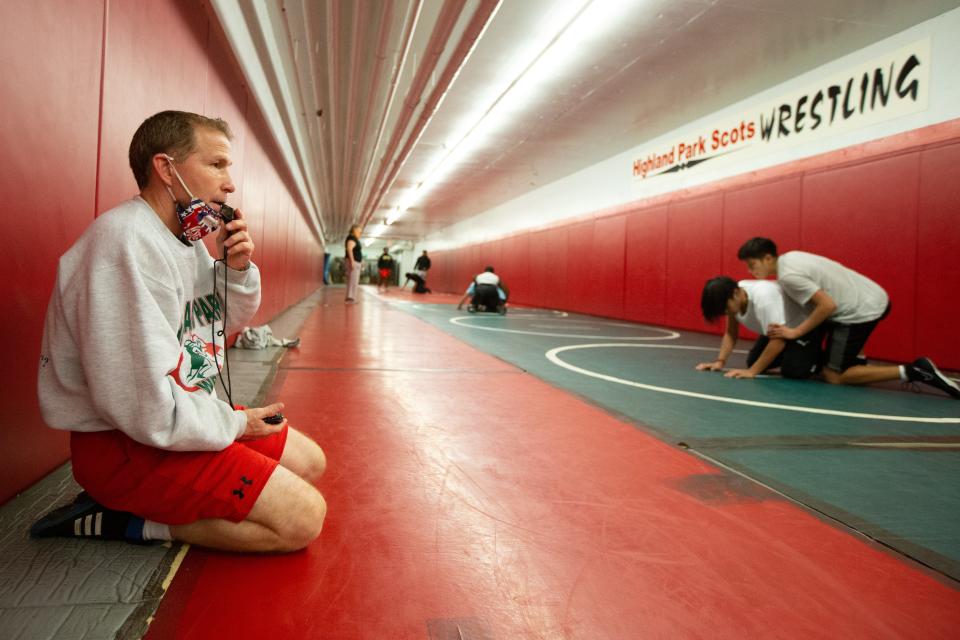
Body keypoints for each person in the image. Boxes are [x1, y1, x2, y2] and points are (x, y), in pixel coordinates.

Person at [32, 110, 327, 553]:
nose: (230, 182)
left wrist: (236, 269)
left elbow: (222, 321)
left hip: (178, 414)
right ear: (166, 168)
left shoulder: (184, 240)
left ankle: (163, 501)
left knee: (311, 462)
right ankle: (124, 519)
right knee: (302, 520)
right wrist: (234, 424)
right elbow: (141, 408)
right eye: (216, 164)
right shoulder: (124, 245)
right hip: (127, 447)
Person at [737, 237, 959, 398]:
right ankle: (856, 361)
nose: (749, 270)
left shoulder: (788, 276)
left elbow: (827, 306)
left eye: (752, 264)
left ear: (767, 257)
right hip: (870, 295)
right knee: (831, 351)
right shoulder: (792, 257)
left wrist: (796, 332)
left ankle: (915, 371)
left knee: (834, 376)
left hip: (858, 312)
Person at [697, 276, 823, 379]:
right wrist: (720, 361)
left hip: (805, 325)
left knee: (793, 371)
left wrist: (752, 372)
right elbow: (731, 333)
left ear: (735, 293)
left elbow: (778, 341)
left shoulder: (763, 298)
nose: (726, 313)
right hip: (780, 328)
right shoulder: (732, 297)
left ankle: (820, 360)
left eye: (726, 308)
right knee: (754, 361)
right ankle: (796, 353)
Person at [344, 224, 363, 303]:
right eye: (359, 232)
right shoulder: (352, 238)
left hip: (355, 262)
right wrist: (352, 261)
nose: (360, 233)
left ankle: (351, 298)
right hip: (353, 262)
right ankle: (350, 298)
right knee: (353, 281)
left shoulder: (354, 238)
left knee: (354, 280)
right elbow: (349, 249)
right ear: (354, 230)